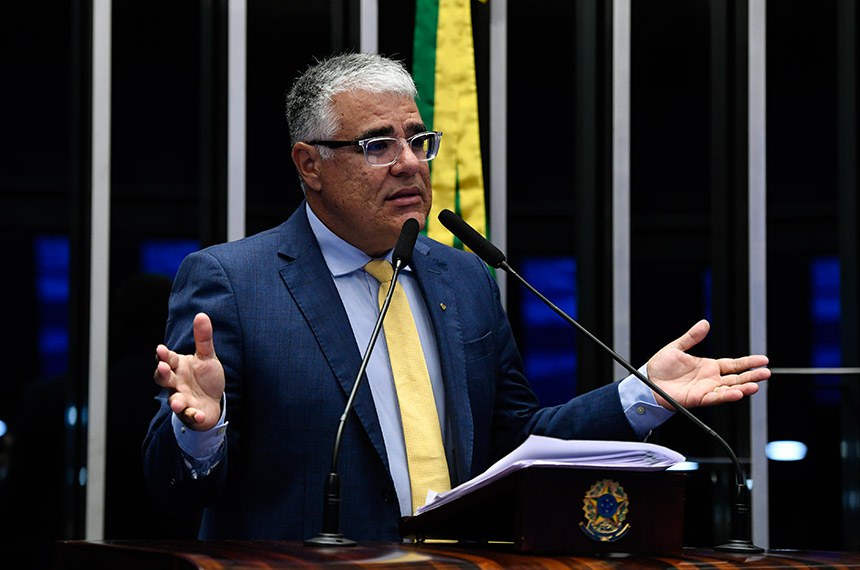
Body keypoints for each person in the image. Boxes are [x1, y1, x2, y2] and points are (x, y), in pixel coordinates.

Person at [143, 52, 770, 542]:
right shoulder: (234, 281)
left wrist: (641, 394)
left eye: (418, 139)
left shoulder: (464, 279)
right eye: (376, 145)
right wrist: (201, 430)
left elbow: (519, 445)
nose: (410, 164)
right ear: (309, 164)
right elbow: (170, 490)